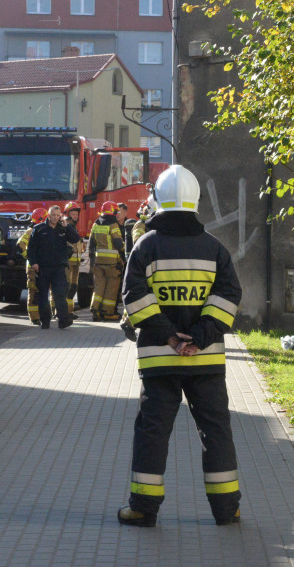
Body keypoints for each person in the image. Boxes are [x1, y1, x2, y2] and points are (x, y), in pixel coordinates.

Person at [117, 165, 243, 527]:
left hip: (160, 360)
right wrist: (200, 337)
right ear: (196, 201)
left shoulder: (146, 246)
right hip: (206, 360)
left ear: (157, 200)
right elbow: (229, 295)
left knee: (153, 433)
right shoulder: (214, 248)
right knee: (216, 431)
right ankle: (226, 509)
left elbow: (134, 296)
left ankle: (143, 508)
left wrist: (169, 336)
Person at [27, 204, 81, 329]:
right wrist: (34, 262)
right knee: (43, 296)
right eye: (53, 215)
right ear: (48, 215)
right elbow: (31, 248)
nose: (55, 218)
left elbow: (75, 238)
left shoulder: (63, 229)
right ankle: (45, 322)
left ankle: (63, 320)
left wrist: (67, 227)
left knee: (60, 295)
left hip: (59, 268)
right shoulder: (39, 229)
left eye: (58, 215)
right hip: (43, 268)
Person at [119, 198, 155, 342]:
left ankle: (129, 322)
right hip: (142, 265)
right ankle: (128, 323)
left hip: (147, 265)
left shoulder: (149, 225)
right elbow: (138, 243)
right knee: (141, 294)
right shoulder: (140, 225)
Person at [88, 201, 124, 321]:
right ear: (113, 212)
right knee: (111, 287)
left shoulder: (96, 224)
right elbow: (118, 243)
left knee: (99, 286)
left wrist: (92, 260)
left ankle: (95, 308)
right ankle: (107, 313)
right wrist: (124, 248)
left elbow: (91, 243)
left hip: (98, 262)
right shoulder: (113, 224)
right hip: (112, 263)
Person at [18, 207, 48, 325]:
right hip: (33, 267)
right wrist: (30, 257)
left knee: (41, 291)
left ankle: (40, 315)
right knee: (34, 292)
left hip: (42, 266)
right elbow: (20, 245)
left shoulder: (41, 230)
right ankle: (34, 317)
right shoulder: (31, 231)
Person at [63, 201, 86, 317]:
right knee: (65, 288)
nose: (76, 216)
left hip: (75, 263)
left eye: (77, 214)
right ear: (68, 214)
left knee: (72, 288)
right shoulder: (65, 226)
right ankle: (61, 312)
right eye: (73, 214)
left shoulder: (73, 228)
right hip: (67, 263)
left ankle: (69, 312)